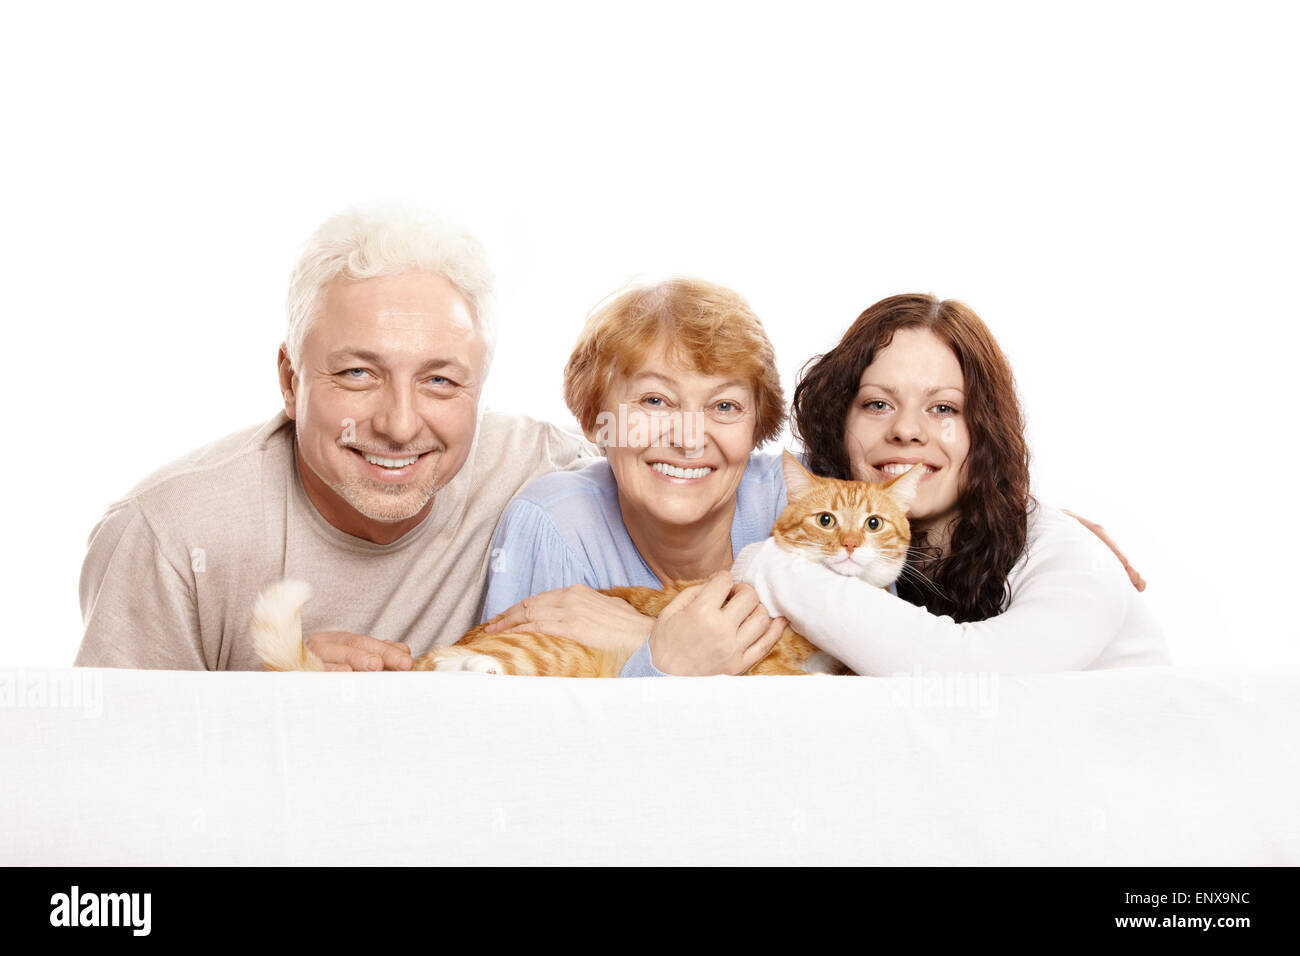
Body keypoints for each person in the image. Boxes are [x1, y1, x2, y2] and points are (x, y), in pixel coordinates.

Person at [75, 204, 593, 671]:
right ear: (290, 381)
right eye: (357, 373)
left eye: (440, 381)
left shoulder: (547, 469)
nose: (399, 425)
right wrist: (267, 711)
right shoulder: (169, 535)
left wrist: (650, 636)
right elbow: (105, 764)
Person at [732, 293, 1171, 673]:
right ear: (839, 423)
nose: (907, 430)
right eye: (878, 403)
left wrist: (766, 564)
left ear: (984, 429)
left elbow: (973, 670)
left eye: (943, 408)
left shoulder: (1072, 559)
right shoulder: (847, 523)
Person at [480, 278, 791, 676]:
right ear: (597, 420)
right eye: (655, 400)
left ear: (756, 428)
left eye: (725, 405)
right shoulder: (554, 526)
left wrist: (647, 638)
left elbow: (882, 692)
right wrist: (664, 658)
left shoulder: (808, 502)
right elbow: (522, 722)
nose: (689, 440)